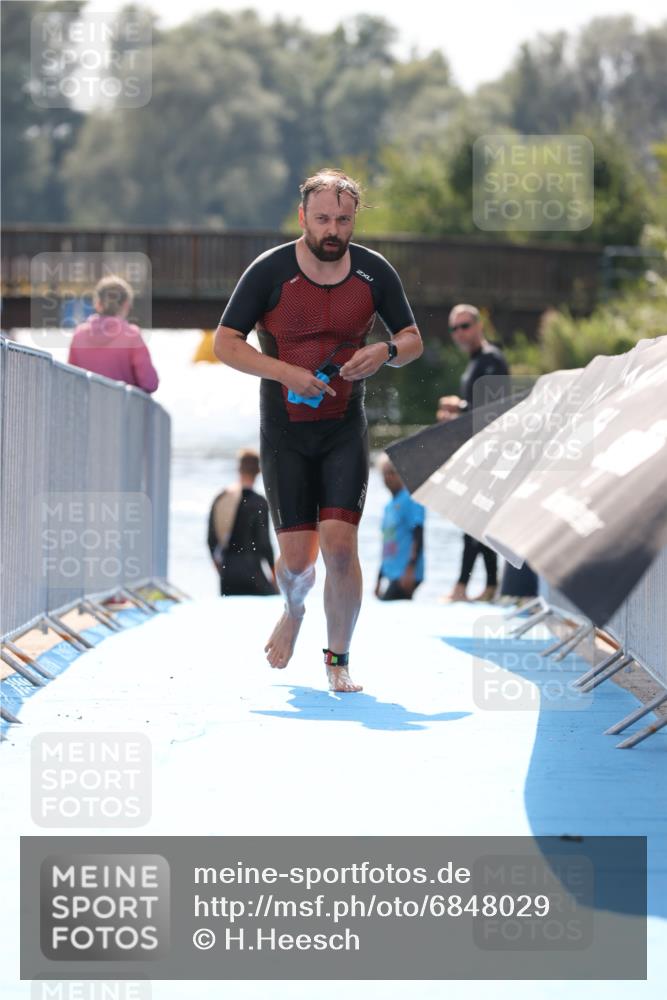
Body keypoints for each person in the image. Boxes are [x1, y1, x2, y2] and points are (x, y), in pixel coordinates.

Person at [213, 168, 423, 692]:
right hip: (284, 429)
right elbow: (225, 342)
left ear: (355, 220)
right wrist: (287, 373)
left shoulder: (374, 274)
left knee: (340, 547)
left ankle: (338, 661)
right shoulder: (270, 271)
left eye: (344, 220)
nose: (333, 229)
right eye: (324, 218)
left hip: (343, 428)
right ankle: (294, 607)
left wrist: (386, 351)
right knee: (299, 560)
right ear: (303, 216)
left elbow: (413, 338)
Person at [437, 303, 510, 603]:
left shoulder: (491, 359)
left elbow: (494, 409)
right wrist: (460, 408)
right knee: (479, 520)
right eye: (454, 328)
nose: (460, 333)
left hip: (492, 454)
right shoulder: (476, 362)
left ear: (479, 326)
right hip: (477, 452)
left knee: (472, 519)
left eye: (465, 326)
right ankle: (490, 585)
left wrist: (458, 412)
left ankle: (461, 587)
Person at [67, 275, 159, 393]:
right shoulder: (131, 335)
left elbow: (71, 377)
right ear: (126, 304)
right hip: (121, 409)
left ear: (97, 303)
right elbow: (149, 383)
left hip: (87, 408)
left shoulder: (79, 334)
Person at [207, 449, 278, 597]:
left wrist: (222, 570)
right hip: (253, 573)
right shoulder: (259, 503)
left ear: (238, 469)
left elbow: (211, 540)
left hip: (227, 575)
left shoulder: (221, 498)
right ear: (258, 471)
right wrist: (275, 577)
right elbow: (264, 544)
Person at [375, 457, 425, 601]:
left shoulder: (411, 499)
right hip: (391, 572)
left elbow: (418, 533)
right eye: (384, 474)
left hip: (406, 573)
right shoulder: (388, 507)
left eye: (392, 472)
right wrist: (379, 578)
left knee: (388, 607)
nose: (388, 477)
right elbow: (387, 542)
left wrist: (411, 569)